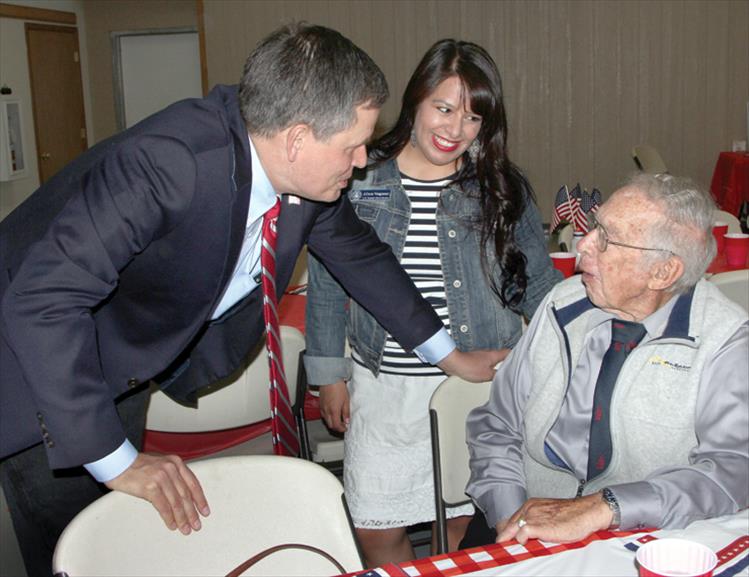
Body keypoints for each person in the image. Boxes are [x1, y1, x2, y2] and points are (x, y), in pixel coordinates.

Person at [0, 23, 505, 577]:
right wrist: (115, 461)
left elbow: (365, 261)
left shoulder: (306, 180)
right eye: (351, 144)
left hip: (120, 355)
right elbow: (43, 300)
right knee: (73, 546)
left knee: (122, 538)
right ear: (296, 138)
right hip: (34, 358)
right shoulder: (169, 164)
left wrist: (448, 355)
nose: (362, 160)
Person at [303, 39, 561, 567]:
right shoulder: (362, 175)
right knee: (376, 527)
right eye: (443, 108)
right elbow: (329, 280)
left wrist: (565, 355)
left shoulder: (500, 188)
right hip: (384, 384)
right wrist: (329, 372)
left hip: (475, 386)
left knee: (465, 525)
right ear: (415, 100)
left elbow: (540, 287)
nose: (454, 130)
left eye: (472, 118)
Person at [461, 173, 749, 549]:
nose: (584, 246)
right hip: (523, 515)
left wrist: (605, 508)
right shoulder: (562, 305)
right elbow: (496, 426)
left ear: (663, 273)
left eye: (607, 239)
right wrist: (511, 518)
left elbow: (733, 470)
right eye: (595, 227)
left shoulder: (722, 339)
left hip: (644, 536)